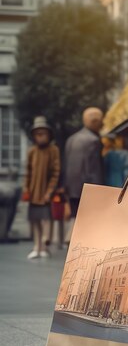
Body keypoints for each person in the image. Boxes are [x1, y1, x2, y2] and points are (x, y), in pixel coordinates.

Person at [63, 107, 104, 240]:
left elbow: (66, 165)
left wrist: (66, 189)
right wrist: (99, 190)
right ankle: (75, 241)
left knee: (77, 217)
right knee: (88, 221)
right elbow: (94, 169)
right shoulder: (94, 140)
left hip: (72, 189)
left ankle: (72, 240)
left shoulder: (71, 139)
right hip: (87, 188)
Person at [22, 116, 60, 259]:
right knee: (35, 219)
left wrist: (49, 191)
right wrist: (26, 189)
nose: (40, 136)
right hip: (33, 192)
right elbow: (27, 172)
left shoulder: (53, 150)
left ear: (48, 135)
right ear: (34, 136)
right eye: (37, 134)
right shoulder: (31, 151)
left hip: (46, 192)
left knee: (46, 218)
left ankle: (44, 245)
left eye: (43, 133)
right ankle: (36, 246)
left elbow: (56, 173)